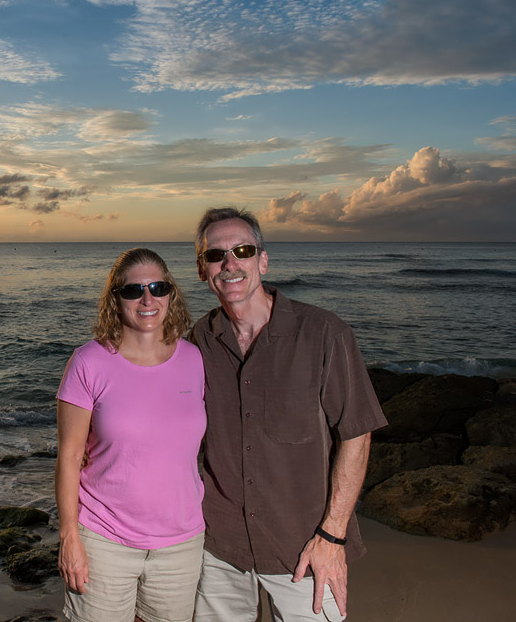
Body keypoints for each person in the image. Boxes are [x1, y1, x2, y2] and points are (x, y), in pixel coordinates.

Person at [189, 207, 387, 622]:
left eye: (242, 250)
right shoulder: (198, 342)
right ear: (202, 270)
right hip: (219, 546)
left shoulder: (324, 334)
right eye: (215, 255)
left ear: (262, 260)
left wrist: (332, 535)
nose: (229, 264)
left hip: (305, 548)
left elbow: (357, 433)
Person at [56, 247, 206, 622]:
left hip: (181, 544)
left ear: (172, 293)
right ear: (115, 298)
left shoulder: (195, 359)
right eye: (133, 290)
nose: (147, 298)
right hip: (103, 541)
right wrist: (69, 538)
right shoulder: (89, 361)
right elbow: (70, 458)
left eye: (158, 287)